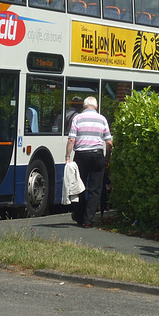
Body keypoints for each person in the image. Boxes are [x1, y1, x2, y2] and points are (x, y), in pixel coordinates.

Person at [65, 96, 113, 228]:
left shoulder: (77, 118)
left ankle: (79, 216)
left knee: (78, 187)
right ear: (96, 107)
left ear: (84, 106)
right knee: (95, 189)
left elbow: (71, 140)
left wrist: (67, 157)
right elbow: (109, 142)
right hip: (97, 155)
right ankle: (88, 220)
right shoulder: (102, 119)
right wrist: (107, 157)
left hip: (81, 156)